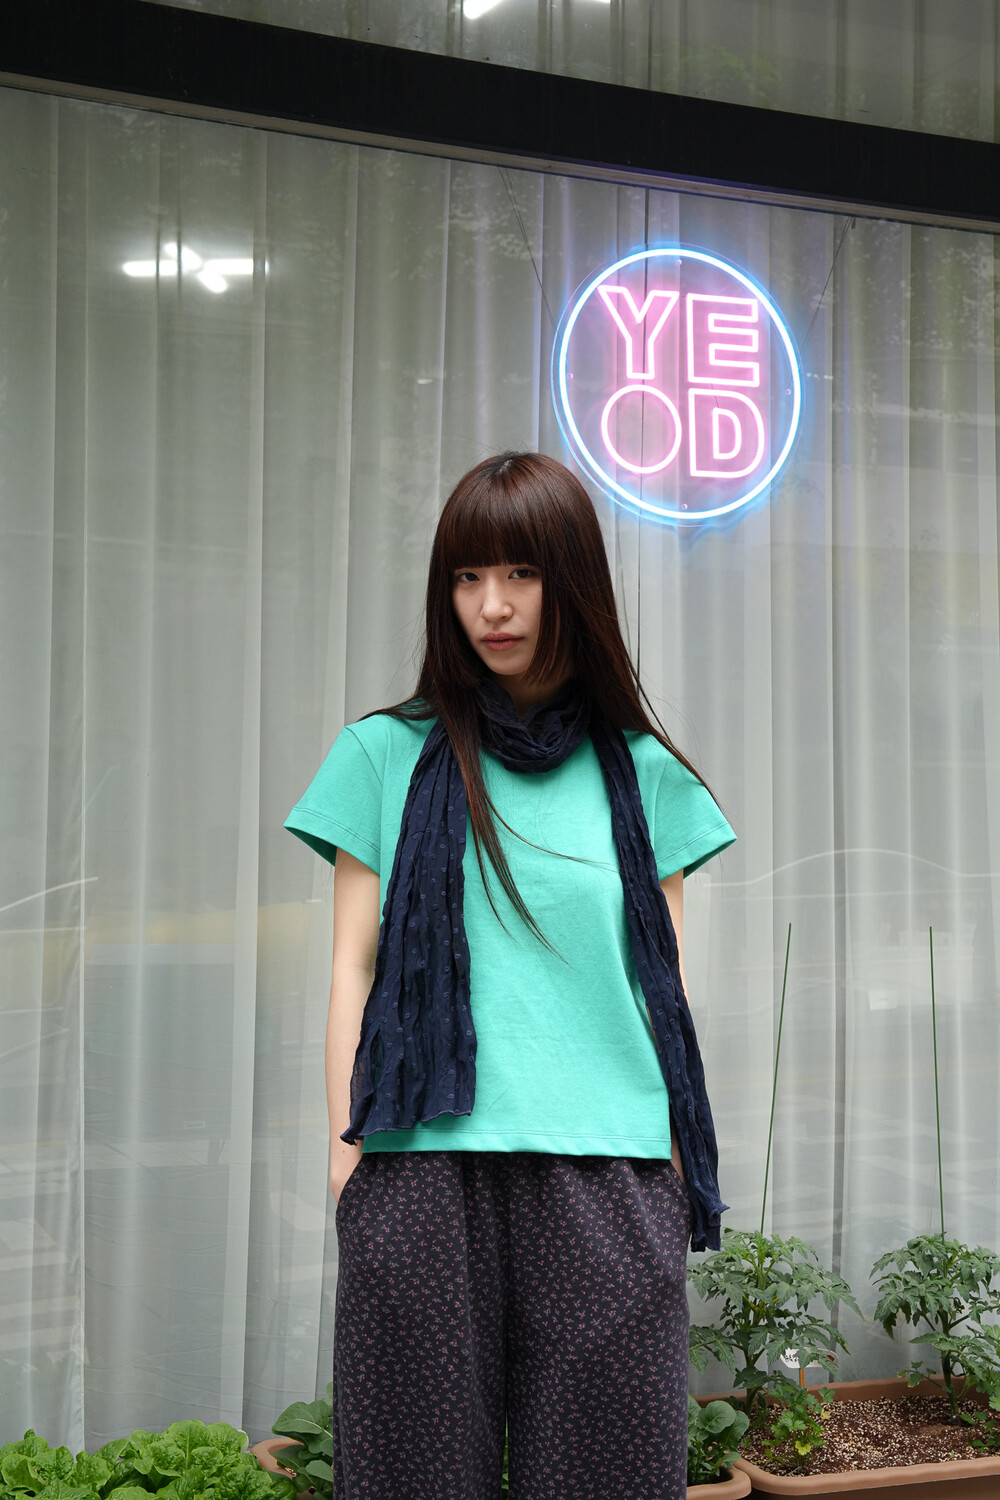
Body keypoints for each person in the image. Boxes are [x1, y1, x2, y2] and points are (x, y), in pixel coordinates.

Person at [284, 452, 736, 1500]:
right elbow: (352, 966)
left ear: (572, 582)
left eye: (522, 573)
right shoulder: (382, 755)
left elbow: (661, 992)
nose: (492, 605)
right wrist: (347, 1157)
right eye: (467, 576)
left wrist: (669, 1168)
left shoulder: (647, 776)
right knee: (411, 1481)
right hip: (420, 1167)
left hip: (607, 1176)